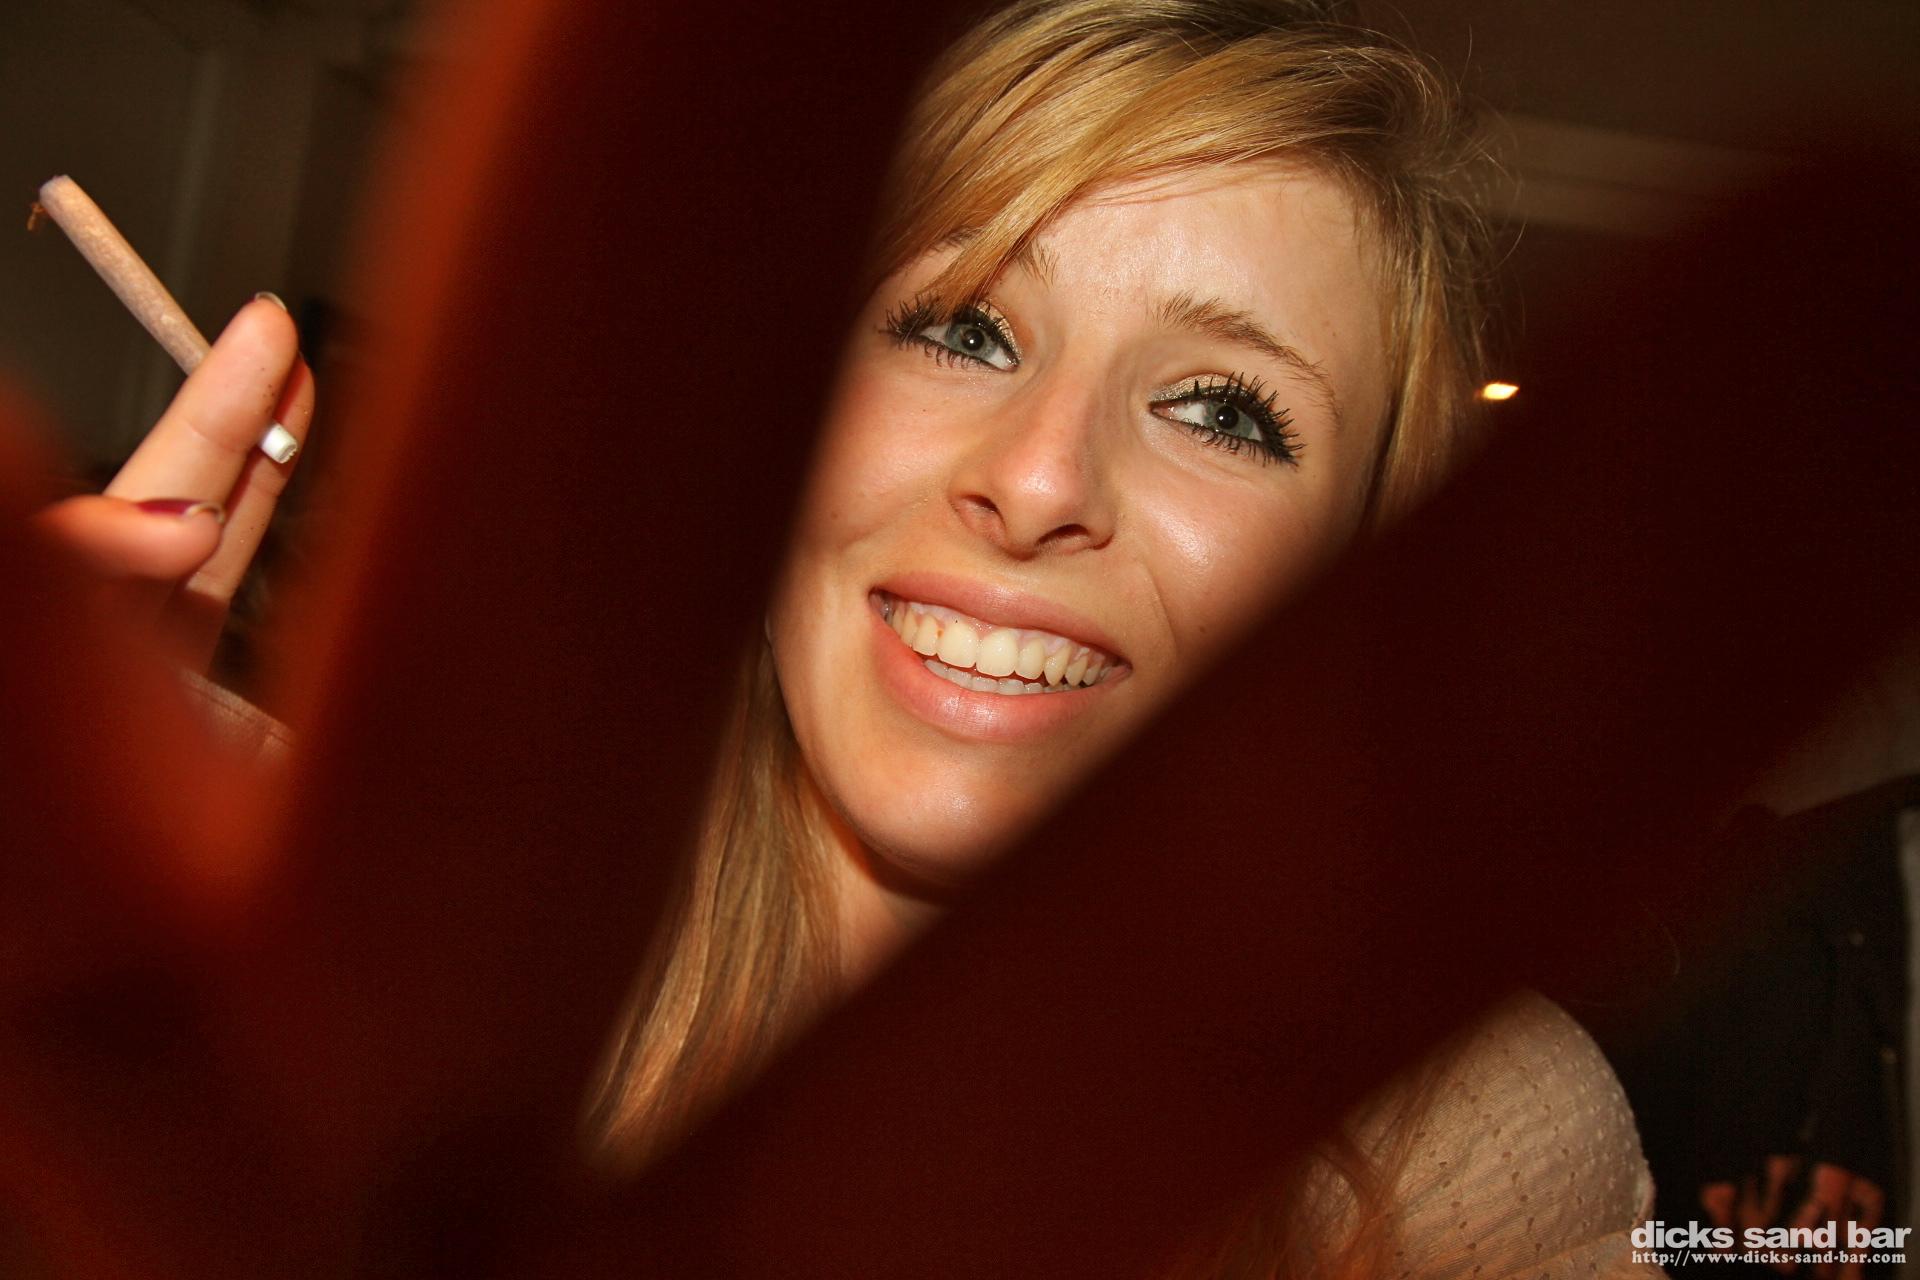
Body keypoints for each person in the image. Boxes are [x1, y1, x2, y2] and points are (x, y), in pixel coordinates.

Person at [28, 0, 1917, 1276]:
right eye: (962, 327)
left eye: (1224, 410)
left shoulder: (1460, 1155)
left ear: (1355, 584)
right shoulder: (324, 924)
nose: (1035, 480)